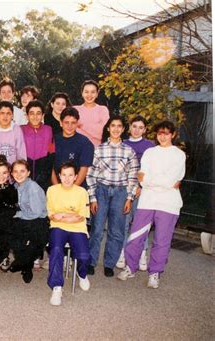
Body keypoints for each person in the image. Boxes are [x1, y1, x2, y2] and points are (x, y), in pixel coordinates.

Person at [118, 121, 185, 289]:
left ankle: (155, 273)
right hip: (147, 201)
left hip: (168, 203)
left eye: (166, 133)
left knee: (162, 240)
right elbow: (142, 177)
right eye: (160, 133)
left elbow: (171, 181)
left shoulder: (179, 155)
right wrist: (158, 181)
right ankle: (130, 267)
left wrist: (151, 181)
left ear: (173, 134)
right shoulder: (149, 152)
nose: (162, 136)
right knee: (135, 236)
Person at [86, 116, 139, 277]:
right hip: (101, 190)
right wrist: (93, 197)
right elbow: (91, 175)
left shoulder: (129, 151)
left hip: (120, 192)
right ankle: (91, 261)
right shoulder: (99, 149)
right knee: (97, 229)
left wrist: (129, 198)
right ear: (108, 128)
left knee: (116, 231)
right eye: (112, 126)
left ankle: (109, 263)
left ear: (123, 129)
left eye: (119, 126)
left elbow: (133, 176)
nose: (116, 129)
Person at [46, 162, 91, 306]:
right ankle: (57, 287)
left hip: (78, 228)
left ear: (76, 176)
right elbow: (52, 215)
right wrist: (69, 216)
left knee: (84, 256)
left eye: (70, 175)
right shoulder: (52, 190)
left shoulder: (82, 192)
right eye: (64, 175)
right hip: (58, 227)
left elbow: (81, 216)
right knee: (57, 250)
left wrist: (64, 215)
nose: (67, 178)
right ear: (59, 176)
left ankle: (82, 274)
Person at [116, 115, 155, 270]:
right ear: (129, 127)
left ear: (145, 130)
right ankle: (123, 252)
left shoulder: (149, 146)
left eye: (141, 127)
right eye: (134, 126)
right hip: (124, 189)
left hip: (141, 190)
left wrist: (140, 185)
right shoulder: (123, 144)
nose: (137, 130)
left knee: (140, 224)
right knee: (123, 223)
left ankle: (142, 253)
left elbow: (150, 169)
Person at [10, 159, 48, 283]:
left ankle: (26, 266)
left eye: (22, 171)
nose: (19, 174)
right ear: (11, 173)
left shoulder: (33, 187)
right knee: (12, 234)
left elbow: (36, 212)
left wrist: (17, 214)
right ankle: (21, 261)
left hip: (38, 220)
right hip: (24, 218)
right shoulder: (15, 186)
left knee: (34, 241)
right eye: (15, 171)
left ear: (28, 173)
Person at [51, 107, 94, 188]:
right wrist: (57, 188)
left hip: (77, 188)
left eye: (73, 123)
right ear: (61, 123)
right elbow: (50, 167)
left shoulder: (85, 142)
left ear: (77, 123)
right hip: (56, 187)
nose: (69, 126)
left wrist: (72, 191)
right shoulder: (52, 140)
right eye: (66, 122)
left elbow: (84, 169)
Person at [21, 100, 54, 191]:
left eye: (38, 113)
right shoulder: (21, 129)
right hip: (24, 172)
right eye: (31, 113)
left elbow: (51, 152)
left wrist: (45, 174)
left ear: (43, 115)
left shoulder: (48, 130)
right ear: (27, 116)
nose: (35, 117)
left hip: (43, 173)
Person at [75, 80, 109, 147]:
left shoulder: (102, 109)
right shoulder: (75, 109)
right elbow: (70, 129)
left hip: (98, 150)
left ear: (97, 94)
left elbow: (105, 132)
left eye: (93, 92)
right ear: (82, 93)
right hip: (79, 149)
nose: (89, 95)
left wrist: (81, 127)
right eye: (86, 92)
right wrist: (95, 126)